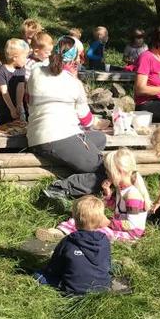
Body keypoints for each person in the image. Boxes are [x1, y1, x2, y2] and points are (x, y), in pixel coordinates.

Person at [28, 36, 108, 200]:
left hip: (36, 136)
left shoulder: (36, 72)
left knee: (100, 139)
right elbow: (87, 121)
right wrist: (105, 122)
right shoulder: (73, 83)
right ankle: (61, 188)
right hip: (59, 137)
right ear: (75, 59)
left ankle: (81, 165)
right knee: (107, 170)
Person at [37, 149, 150, 242]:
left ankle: (68, 236)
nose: (106, 174)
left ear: (120, 171)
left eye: (108, 171)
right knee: (84, 220)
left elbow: (132, 225)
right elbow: (115, 208)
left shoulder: (132, 195)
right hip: (119, 226)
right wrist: (108, 194)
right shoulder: (122, 189)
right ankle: (60, 231)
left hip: (129, 234)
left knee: (93, 230)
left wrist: (108, 223)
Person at [35, 196, 112, 296]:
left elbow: (53, 268)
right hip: (102, 289)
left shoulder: (68, 241)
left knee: (39, 275)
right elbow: (107, 264)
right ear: (100, 220)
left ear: (74, 219)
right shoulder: (104, 240)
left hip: (72, 290)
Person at [0, 38, 29, 126]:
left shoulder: (21, 69)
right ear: (15, 57)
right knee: (4, 129)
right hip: (5, 107)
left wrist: (18, 106)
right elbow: (4, 92)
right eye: (25, 57)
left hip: (18, 106)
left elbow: (20, 87)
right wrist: (12, 109)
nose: (26, 60)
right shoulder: (1, 71)